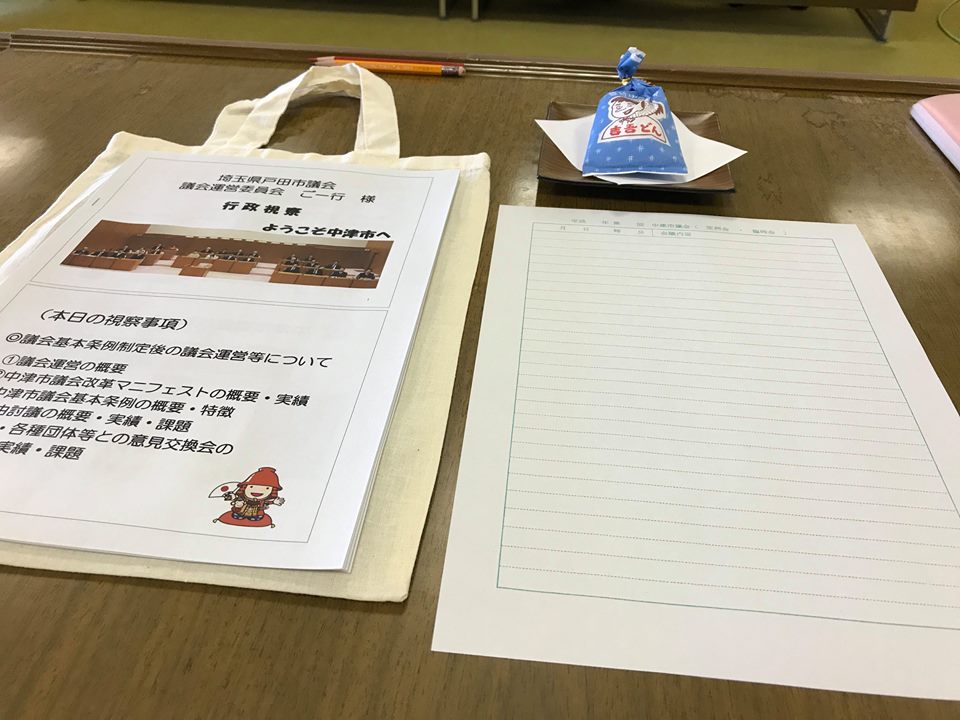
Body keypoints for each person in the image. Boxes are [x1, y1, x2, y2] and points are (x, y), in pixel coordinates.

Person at [213, 467, 285, 528]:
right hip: (241, 510)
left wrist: (274, 502)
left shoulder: (263, 501)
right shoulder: (243, 497)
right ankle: (238, 516)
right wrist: (232, 497)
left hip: (257, 512)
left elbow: (268, 502)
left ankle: (254, 518)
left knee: (256, 517)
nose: (257, 490)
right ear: (245, 488)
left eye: (267, 488)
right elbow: (235, 497)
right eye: (251, 487)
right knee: (238, 513)